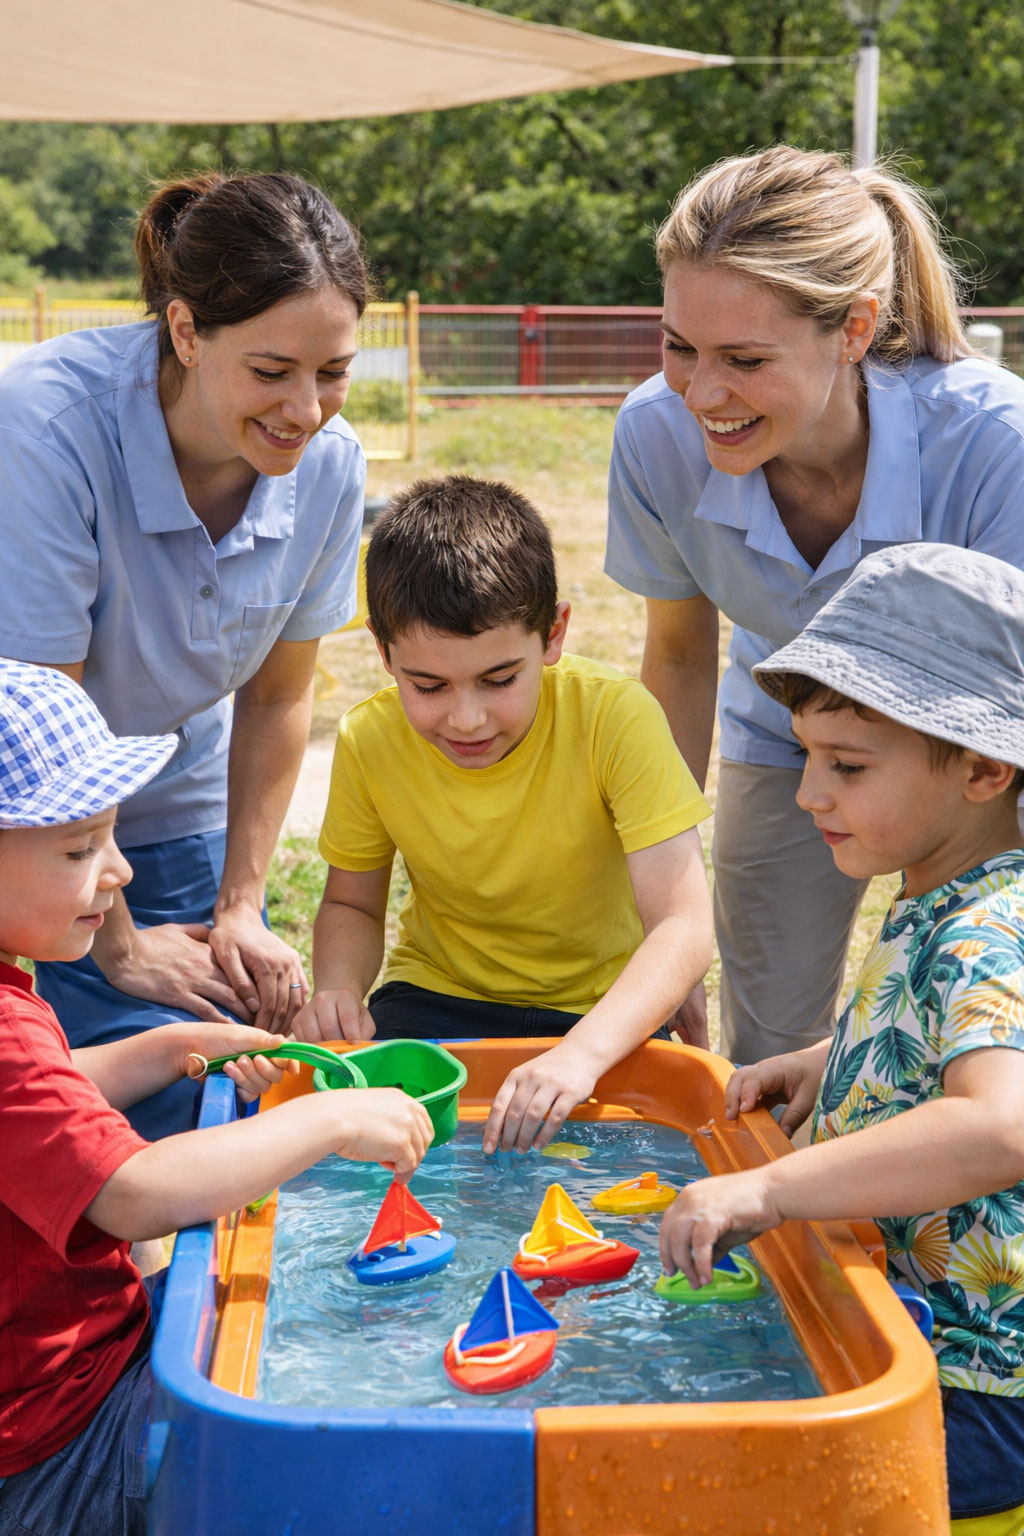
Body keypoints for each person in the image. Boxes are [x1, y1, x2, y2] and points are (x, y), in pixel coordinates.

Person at [605, 144, 1024, 1065]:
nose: (702, 393)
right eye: (680, 346)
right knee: (772, 1053)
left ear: (855, 329)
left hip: (991, 764)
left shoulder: (998, 445)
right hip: (786, 736)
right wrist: (653, 880)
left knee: (977, 1041)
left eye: (746, 358)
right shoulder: (653, 438)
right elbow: (678, 656)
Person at [0, 661, 432, 1536]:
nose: (119, 871)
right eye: (80, 850)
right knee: (317, 1428)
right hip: (58, 1439)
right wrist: (330, 1115)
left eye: (111, 838)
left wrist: (165, 1048)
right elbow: (135, 1193)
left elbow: (36, 1111)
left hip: (61, 1381)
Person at [659, 544, 1024, 1535]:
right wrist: (839, 1058)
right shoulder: (949, 893)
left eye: (846, 767)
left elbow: (998, 1126)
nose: (808, 794)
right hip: (922, 1336)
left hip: (975, 1383)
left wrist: (768, 1186)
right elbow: (950, 1037)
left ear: (985, 766)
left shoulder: (985, 931)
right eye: (806, 756)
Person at [0, 171, 371, 1138]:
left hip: (169, 787)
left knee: (215, 1068)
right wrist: (118, 947)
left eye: (332, 371)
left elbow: (280, 699)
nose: (306, 409)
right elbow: (48, 721)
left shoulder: (331, 466)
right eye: (272, 370)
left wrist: (240, 904)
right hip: (25, 802)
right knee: (57, 1107)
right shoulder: (45, 424)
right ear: (186, 332)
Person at [293, 474, 714, 1154]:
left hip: (599, 1011)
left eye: (499, 679)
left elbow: (685, 924)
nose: (466, 718)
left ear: (553, 635)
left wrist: (581, 1053)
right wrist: (339, 988)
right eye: (427, 685)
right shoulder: (369, 739)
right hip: (433, 999)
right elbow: (351, 905)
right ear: (382, 653)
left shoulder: (615, 718)